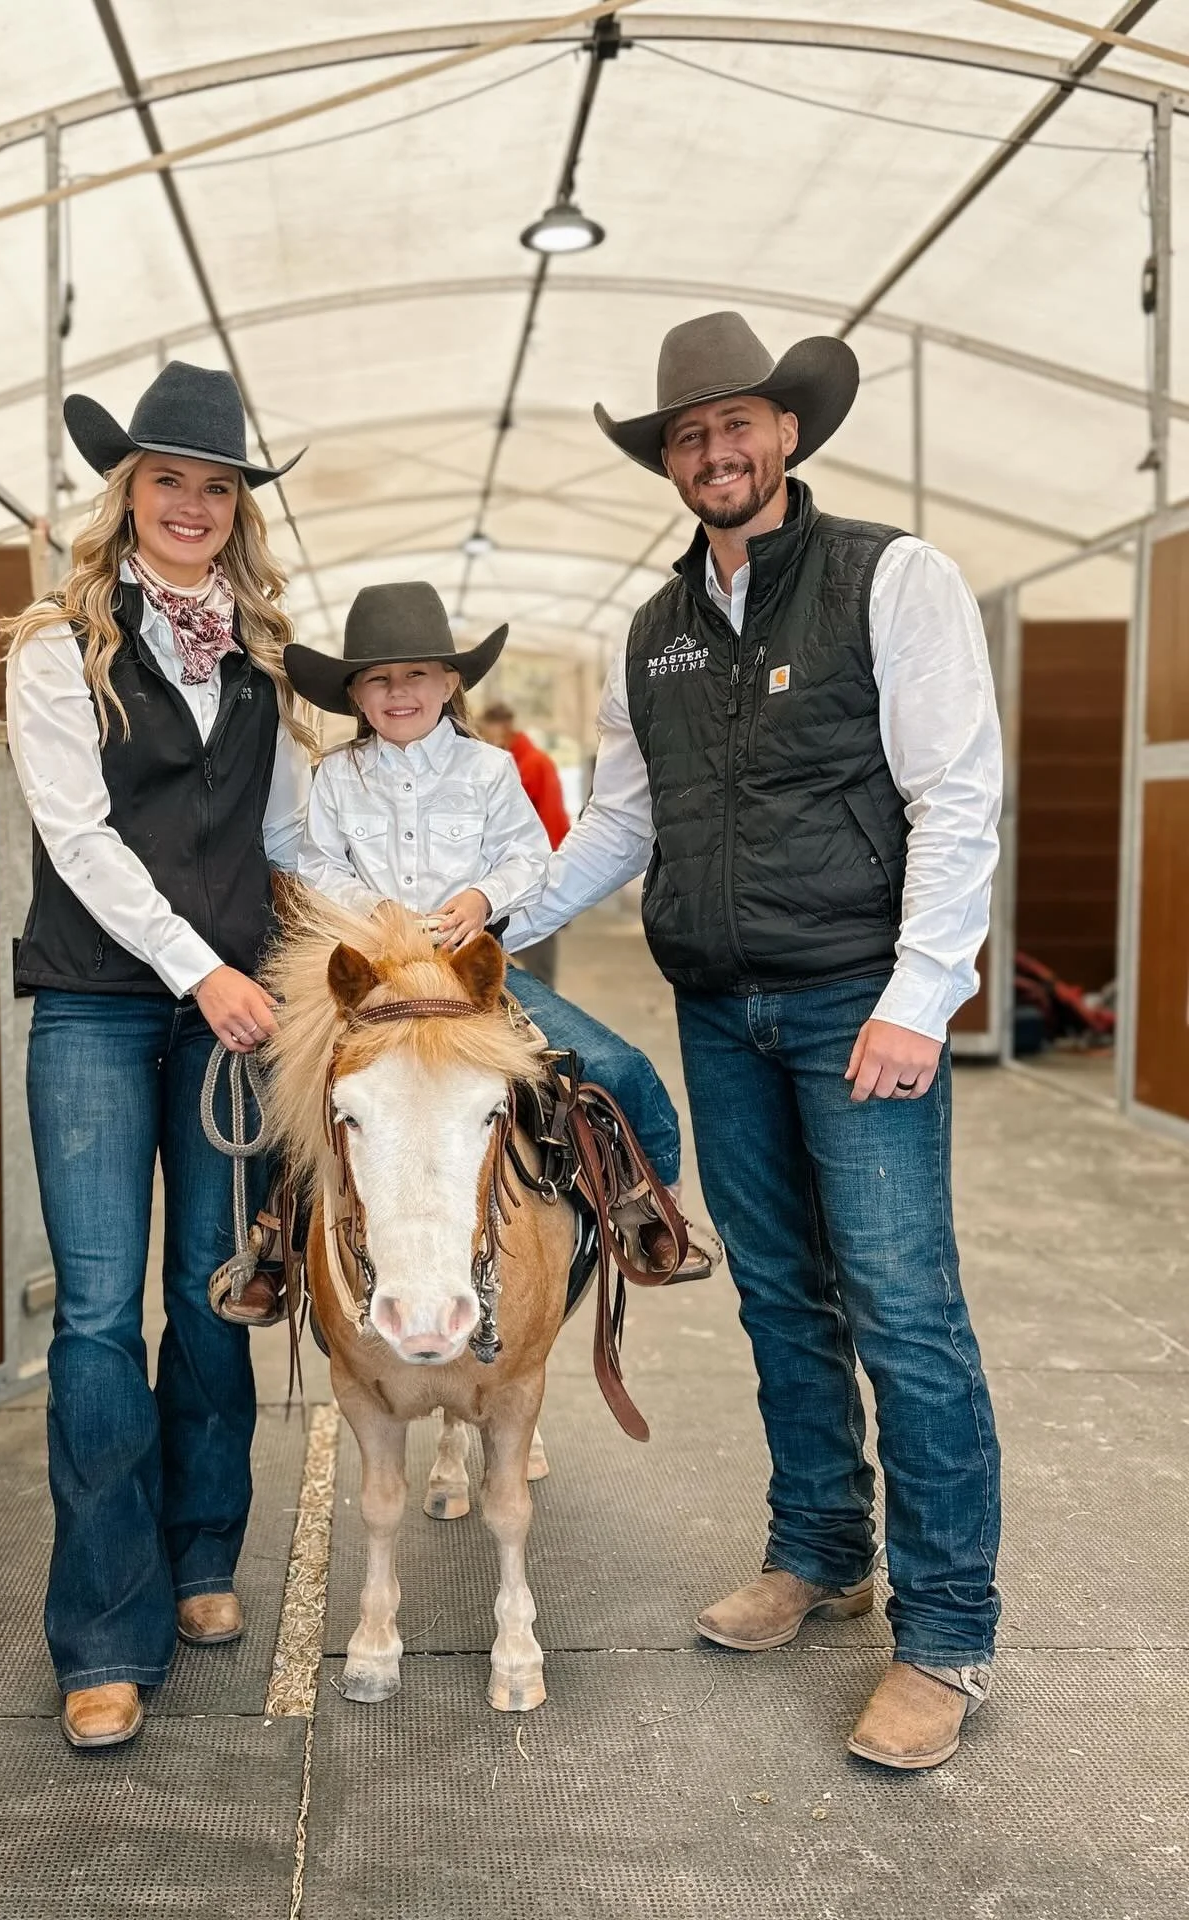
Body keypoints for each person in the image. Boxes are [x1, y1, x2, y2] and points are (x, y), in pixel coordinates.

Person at [504, 312, 1002, 1771]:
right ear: (669, 461)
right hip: (724, 1007)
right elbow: (621, 820)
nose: (715, 452)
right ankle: (819, 1550)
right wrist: (500, 907)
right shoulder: (651, 634)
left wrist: (922, 997)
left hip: (860, 1001)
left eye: (737, 426)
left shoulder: (890, 580)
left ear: (786, 434)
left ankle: (949, 1635)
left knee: (907, 1312)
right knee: (781, 1296)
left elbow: (957, 794)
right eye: (686, 435)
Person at [4, 362, 313, 1750]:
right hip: (97, 1001)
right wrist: (203, 970)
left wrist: (372, 945)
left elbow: (289, 843)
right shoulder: (56, 644)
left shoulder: (260, 659)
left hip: (229, 1011)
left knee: (210, 1294)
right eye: (168, 478)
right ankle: (103, 1627)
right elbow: (79, 837)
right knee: (92, 1317)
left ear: (236, 509)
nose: (192, 504)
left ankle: (201, 1555)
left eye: (216, 485)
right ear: (127, 490)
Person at [282, 581, 710, 1280]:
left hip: (467, 980)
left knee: (617, 1065)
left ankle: (651, 1208)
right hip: (374, 983)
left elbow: (527, 852)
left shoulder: (489, 769)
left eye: (417, 674)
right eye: (378, 679)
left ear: (450, 681)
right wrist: (374, 909)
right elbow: (317, 864)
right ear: (354, 696)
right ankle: (276, 1232)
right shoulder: (336, 777)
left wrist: (484, 896)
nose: (399, 692)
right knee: (286, 1082)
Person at [478, 699, 569, 986]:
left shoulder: (536, 764)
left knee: (539, 970)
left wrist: (552, 880)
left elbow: (553, 822)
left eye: (486, 729)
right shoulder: (494, 760)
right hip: (499, 883)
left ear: (503, 726)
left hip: (536, 874)